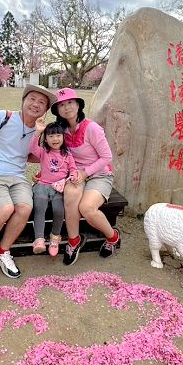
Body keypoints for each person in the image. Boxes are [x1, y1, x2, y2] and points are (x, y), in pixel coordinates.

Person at [0, 83, 56, 286]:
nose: (36, 104)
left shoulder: (40, 130)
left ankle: (2, 251)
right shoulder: (4, 117)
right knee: (5, 208)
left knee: (25, 207)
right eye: (32, 99)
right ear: (23, 100)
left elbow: (34, 155)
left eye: (42, 102)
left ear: (45, 110)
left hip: (17, 177)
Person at [50, 88, 120, 265]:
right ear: (57, 110)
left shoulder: (92, 128)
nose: (67, 108)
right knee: (71, 196)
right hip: (75, 173)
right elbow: (51, 152)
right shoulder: (61, 131)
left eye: (70, 103)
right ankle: (74, 241)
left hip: (99, 174)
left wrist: (85, 173)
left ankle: (113, 237)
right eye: (62, 105)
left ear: (78, 105)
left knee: (87, 208)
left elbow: (107, 157)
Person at [29, 121, 79, 257]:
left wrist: (74, 175)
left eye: (58, 135)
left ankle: (54, 237)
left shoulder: (67, 155)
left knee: (59, 210)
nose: (55, 139)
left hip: (59, 188)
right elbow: (32, 148)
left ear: (63, 137)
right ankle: (39, 239)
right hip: (42, 186)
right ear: (45, 138)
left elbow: (73, 169)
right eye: (51, 136)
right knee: (40, 207)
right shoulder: (44, 152)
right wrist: (37, 132)